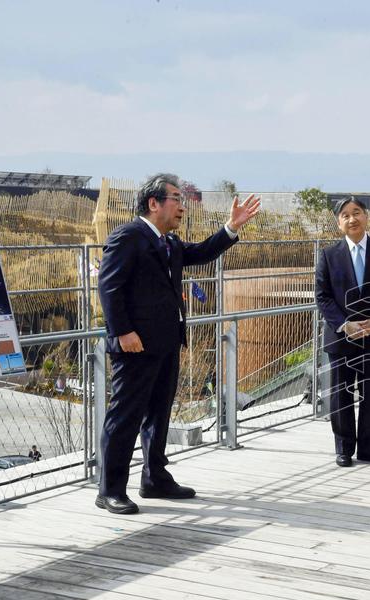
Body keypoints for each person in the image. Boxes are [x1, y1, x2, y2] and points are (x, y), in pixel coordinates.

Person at [97, 173, 261, 515]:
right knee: (125, 417)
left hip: (168, 342)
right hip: (135, 346)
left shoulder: (168, 242)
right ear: (154, 203)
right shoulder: (128, 237)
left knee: (158, 415)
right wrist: (123, 331)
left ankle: (154, 478)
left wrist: (231, 227)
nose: (182, 207)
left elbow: (201, 252)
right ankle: (110, 489)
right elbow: (109, 288)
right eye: (176, 199)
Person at [315, 197, 370, 465]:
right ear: (338, 222)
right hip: (342, 336)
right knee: (341, 393)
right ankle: (343, 448)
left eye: (357, 213)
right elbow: (323, 296)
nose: (352, 219)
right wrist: (344, 325)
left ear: (366, 216)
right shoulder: (329, 255)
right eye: (345, 215)